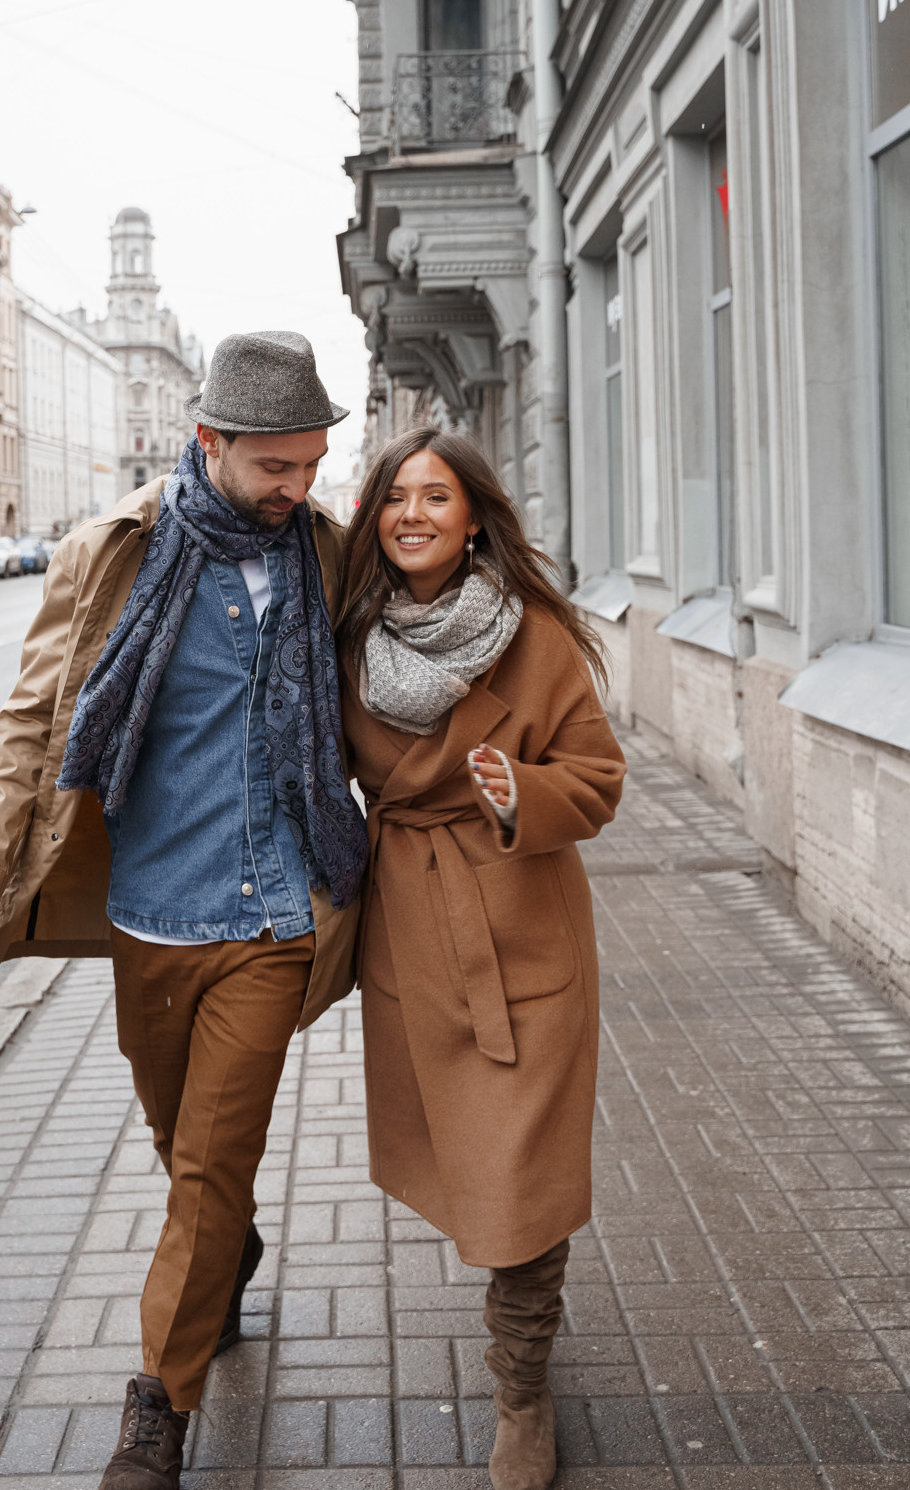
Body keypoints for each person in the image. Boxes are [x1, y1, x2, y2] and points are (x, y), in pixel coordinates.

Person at [0, 332, 368, 1490]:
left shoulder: (326, 552)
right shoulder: (110, 552)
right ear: (207, 441)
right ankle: (222, 1255)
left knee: (212, 1163)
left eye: (310, 465)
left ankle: (156, 1412)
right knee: (182, 1148)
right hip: (149, 917)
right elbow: (29, 729)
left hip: (274, 917)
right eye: (273, 466)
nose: (295, 489)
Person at [336, 427, 625, 1490]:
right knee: (470, 1164)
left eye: (435, 497)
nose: (412, 514)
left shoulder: (533, 635)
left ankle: (521, 1391)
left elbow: (597, 778)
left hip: (522, 928)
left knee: (521, 1177)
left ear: (472, 522)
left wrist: (521, 794)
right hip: (411, 929)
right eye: (394, 497)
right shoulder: (350, 639)